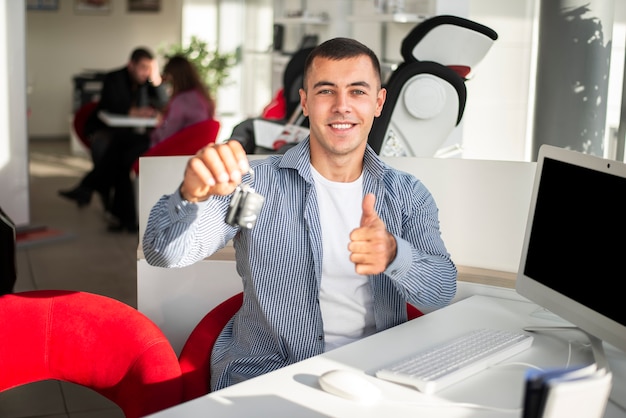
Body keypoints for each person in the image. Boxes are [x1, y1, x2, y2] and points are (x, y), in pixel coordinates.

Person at [142, 37, 457, 391]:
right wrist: (190, 196)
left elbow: (442, 290)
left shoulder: (408, 195)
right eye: (326, 91)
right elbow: (164, 252)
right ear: (305, 102)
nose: (342, 106)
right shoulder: (255, 188)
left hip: (372, 382)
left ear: (378, 102)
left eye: (357, 92)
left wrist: (395, 255)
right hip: (266, 379)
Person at [60, 54, 216, 233]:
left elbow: (166, 131)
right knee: (120, 150)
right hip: (176, 145)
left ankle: (97, 192)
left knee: (120, 154)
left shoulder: (183, 99)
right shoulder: (199, 96)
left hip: (167, 147)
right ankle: (110, 205)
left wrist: (155, 127)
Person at [59, 46, 168, 210]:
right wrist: (133, 112)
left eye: (149, 68)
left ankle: (86, 190)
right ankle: (104, 199)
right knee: (105, 148)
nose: (146, 72)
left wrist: (156, 80)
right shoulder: (113, 78)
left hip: (133, 132)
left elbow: (163, 103)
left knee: (117, 153)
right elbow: (109, 104)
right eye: (143, 68)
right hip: (106, 129)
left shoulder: (148, 81)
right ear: (131, 65)